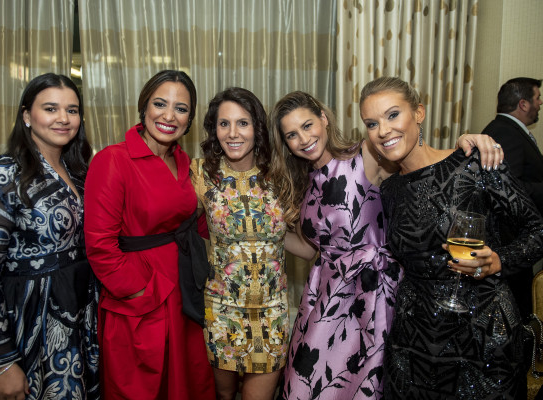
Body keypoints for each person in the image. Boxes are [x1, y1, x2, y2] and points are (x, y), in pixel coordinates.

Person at [268, 91, 504, 399]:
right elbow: (315, 249)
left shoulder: (365, 153)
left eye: (308, 125)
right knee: (305, 385)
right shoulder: (303, 179)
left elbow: (419, 160)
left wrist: (465, 143)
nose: (303, 138)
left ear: (324, 120)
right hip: (325, 296)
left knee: (363, 383)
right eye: (292, 135)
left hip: (372, 294)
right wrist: (269, 233)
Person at [360, 76, 543, 399]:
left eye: (392, 115)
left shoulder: (475, 164)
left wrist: (500, 259)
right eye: (372, 123)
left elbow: (537, 230)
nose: (383, 131)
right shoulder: (390, 190)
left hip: (483, 340)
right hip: (412, 344)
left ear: (419, 112)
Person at [0, 73, 100, 399]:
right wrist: (1, 362)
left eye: (72, 110)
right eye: (51, 108)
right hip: (22, 326)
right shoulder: (1, 174)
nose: (63, 118)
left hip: (74, 320)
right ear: (27, 115)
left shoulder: (80, 172)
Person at [84, 70, 215, 399]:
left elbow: (192, 222)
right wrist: (140, 290)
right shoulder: (113, 160)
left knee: (187, 385)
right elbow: (100, 246)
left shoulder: (184, 162)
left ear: (190, 119)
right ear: (144, 107)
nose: (169, 116)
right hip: (141, 298)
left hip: (184, 293)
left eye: (181, 109)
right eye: (160, 103)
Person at [190, 87, 289, 400]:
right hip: (221, 312)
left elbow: (304, 235)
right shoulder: (200, 174)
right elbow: (174, 225)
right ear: (214, 128)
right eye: (224, 124)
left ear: (257, 127)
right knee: (221, 396)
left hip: (272, 313)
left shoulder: (281, 174)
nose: (232, 133)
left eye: (242, 123)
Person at [482, 77, 543, 320]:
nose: (540, 103)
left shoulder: (510, 131)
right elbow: (509, 189)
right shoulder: (503, 132)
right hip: (509, 243)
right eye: (537, 98)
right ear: (524, 104)